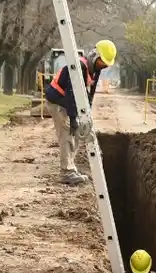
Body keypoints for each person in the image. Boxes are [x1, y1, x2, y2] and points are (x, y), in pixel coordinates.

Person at [43, 39, 116, 185]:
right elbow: (71, 93)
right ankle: (67, 172)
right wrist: (73, 117)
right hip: (58, 101)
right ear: (95, 56)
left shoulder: (95, 70)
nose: (104, 65)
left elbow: (90, 93)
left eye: (106, 63)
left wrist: (87, 113)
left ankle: (70, 168)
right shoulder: (78, 67)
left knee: (77, 135)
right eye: (102, 61)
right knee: (67, 133)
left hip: (68, 101)